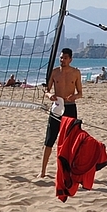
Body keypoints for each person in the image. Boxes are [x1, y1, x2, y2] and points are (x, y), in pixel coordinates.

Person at [38, 48, 82, 178]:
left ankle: (70, 171)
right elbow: (46, 90)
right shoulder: (54, 72)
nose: (63, 60)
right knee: (50, 139)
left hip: (70, 108)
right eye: (61, 58)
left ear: (71, 59)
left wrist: (74, 97)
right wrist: (50, 95)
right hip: (57, 107)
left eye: (65, 58)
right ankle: (43, 171)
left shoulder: (76, 73)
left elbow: (80, 93)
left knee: (71, 140)